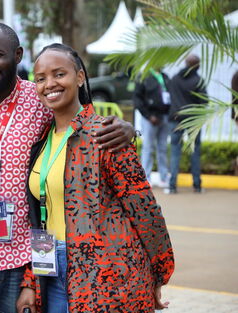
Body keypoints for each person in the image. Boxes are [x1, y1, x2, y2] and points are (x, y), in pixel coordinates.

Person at [0, 22, 135, 313]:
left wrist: (128, 129)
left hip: (23, 259)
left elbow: (82, 121)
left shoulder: (41, 100)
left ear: (17, 55)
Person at [16, 43, 174, 313]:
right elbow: (41, 216)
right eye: (40, 78)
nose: (49, 84)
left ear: (79, 77)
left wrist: (159, 274)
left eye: (59, 74)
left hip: (106, 272)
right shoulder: (42, 140)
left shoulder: (106, 134)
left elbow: (144, 210)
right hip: (51, 268)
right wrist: (31, 279)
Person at [166, 55, 208, 194]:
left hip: (176, 119)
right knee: (195, 151)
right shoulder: (198, 81)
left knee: (175, 152)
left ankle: (172, 186)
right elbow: (204, 103)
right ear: (197, 65)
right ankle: (197, 186)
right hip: (193, 121)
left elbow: (170, 97)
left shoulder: (174, 79)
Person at [133, 67, 171, 187]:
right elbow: (137, 98)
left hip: (164, 117)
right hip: (150, 119)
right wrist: (148, 116)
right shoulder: (143, 76)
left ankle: (164, 177)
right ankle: (146, 178)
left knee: (163, 148)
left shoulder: (165, 77)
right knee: (148, 148)